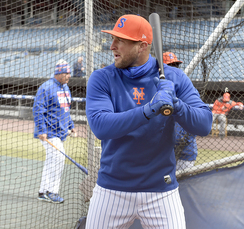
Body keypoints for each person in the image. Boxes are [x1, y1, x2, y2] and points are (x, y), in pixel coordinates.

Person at [85, 14, 212, 228]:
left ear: (142, 46)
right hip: (112, 188)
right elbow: (101, 126)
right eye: (113, 39)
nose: (112, 46)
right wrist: (150, 109)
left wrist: (176, 105)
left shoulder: (175, 78)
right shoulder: (102, 78)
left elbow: (204, 124)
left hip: (161, 190)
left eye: (120, 41)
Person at [33, 59, 76, 204]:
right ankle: (52, 191)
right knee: (58, 159)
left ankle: (43, 191)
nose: (69, 76)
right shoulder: (46, 87)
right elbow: (38, 110)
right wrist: (42, 130)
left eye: (70, 73)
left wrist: (71, 125)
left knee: (52, 161)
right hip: (49, 132)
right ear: (59, 73)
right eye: (67, 73)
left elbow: (66, 109)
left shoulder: (65, 88)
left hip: (60, 132)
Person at [163, 51, 197, 171]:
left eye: (176, 66)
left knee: (180, 185)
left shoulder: (185, 90)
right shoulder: (157, 91)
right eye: (170, 66)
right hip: (165, 154)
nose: (174, 69)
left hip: (185, 153)